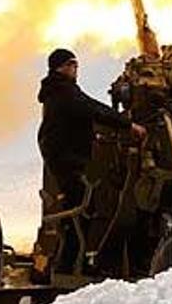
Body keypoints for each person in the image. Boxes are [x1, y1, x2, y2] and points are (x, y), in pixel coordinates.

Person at [37, 48, 146, 211]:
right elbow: (91, 108)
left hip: (64, 154)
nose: (76, 70)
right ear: (61, 67)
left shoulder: (58, 90)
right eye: (73, 65)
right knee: (82, 203)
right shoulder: (62, 89)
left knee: (83, 200)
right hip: (67, 156)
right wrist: (127, 124)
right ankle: (73, 234)